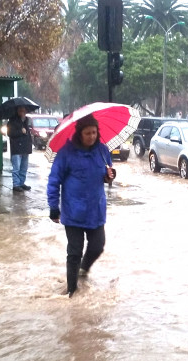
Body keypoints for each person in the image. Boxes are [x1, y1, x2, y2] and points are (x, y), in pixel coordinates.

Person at [47, 114, 116, 298]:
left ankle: (83, 270)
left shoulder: (102, 151)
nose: (92, 136)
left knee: (98, 246)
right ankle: (71, 293)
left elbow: (106, 175)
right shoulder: (66, 153)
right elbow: (54, 180)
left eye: (94, 132)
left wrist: (109, 176)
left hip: (96, 210)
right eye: (87, 133)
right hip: (73, 212)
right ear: (80, 133)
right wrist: (54, 206)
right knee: (74, 252)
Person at [7, 106, 33, 192]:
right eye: (21, 111)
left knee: (24, 167)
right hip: (17, 147)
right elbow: (10, 133)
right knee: (16, 167)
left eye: (24, 111)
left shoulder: (26, 121)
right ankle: (16, 184)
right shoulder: (12, 121)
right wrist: (20, 132)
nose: (23, 113)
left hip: (25, 147)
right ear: (17, 111)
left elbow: (27, 133)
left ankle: (21, 183)